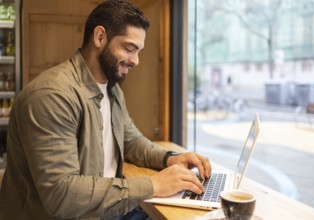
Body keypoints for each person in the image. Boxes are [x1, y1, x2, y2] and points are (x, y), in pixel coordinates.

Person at [0, 1, 212, 219]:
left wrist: (171, 158)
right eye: (129, 49)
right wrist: (153, 184)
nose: (136, 61)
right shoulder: (52, 96)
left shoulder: (112, 90)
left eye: (138, 51)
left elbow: (131, 142)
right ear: (100, 37)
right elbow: (61, 195)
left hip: (106, 208)